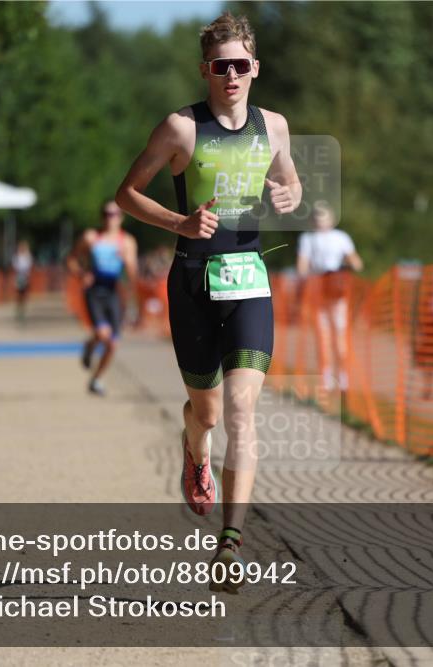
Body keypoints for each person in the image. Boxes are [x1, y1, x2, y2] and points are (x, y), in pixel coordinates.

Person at [115, 11, 301, 591]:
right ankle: (194, 453)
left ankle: (230, 545)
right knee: (209, 413)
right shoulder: (180, 129)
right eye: (220, 66)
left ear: (255, 69)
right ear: (205, 70)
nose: (231, 75)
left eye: (240, 65)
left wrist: (290, 192)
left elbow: (290, 182)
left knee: (242, 412)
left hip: (249, 280)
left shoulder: (274, 127)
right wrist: (181, 221)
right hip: (192, 283)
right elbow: (126, 195)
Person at [67, 201, 138, 396]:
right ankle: (90, 346)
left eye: (115, 214)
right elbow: (71, 259)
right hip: (94, 291)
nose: (110, 218)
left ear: (121, 217)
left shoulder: (127, 241)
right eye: (107, 213)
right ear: (101, 216)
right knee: (102, 335)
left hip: (114, 291)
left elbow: (132, 274)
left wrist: (126, 262)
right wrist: (82, 274)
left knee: (113, 343)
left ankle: (96, 379)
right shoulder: (91, 237)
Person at [296, 201, 363, 391]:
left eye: (323, 217)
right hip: (318, 292)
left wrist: (344, 268)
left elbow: (356, 261)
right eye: (317, 217)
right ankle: (326, 377)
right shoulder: (308, 239)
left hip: (337, 292)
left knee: (339, 336)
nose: (320, 221)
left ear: (331, 219)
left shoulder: (341, 237)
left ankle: (343, 376)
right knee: (322, 336)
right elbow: (302, 265)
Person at [12, 240, 33, 324]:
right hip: (19, 276)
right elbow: (15, 266)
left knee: (24, 295)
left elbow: (29, 264)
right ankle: (18, 310)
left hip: (25, 277)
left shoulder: (27, 256)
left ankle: (23, 311)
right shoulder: (16, 256)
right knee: (18, 294)